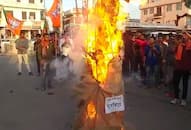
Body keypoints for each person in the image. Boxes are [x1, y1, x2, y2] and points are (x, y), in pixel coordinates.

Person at [170, 32, 191, 106]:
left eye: (185, 37)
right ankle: (176, 98)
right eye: (182, 37)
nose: (183, 38)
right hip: (178, 67)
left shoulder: (189, 46)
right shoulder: (179, 45)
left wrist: (187, 33)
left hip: (186, 68)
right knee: (176, 83)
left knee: (185, 84)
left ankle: (183, 99)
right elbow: (173, 51)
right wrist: (176, 43)